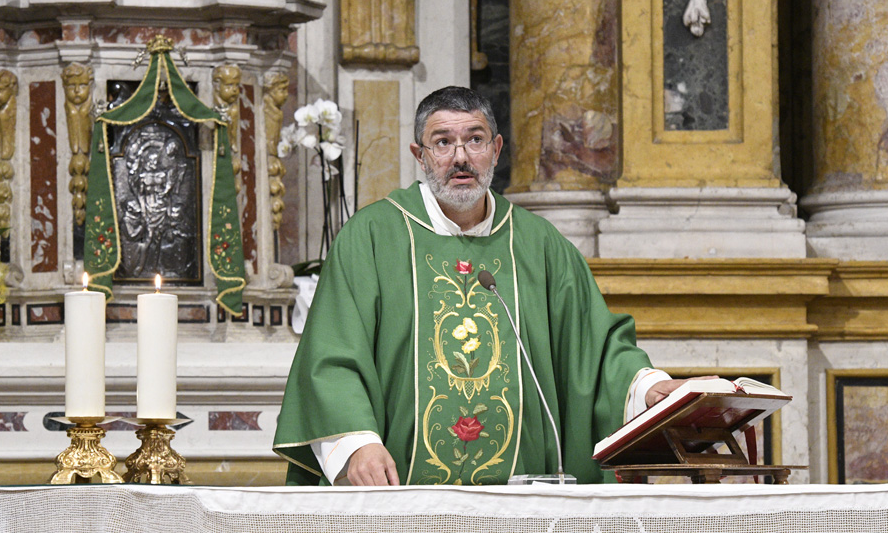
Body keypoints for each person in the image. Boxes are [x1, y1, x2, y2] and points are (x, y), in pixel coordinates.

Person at [273, 86, 690, 486]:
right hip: (401, 495)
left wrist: (646, 387)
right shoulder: (373, 237)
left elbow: (593, 348)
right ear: (419, 155)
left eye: (475, 139)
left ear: (496, 149)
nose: (461, 157)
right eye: (442, 142)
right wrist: (356, 443)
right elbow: (333, 353)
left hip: (526, 502)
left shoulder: (538, 244)